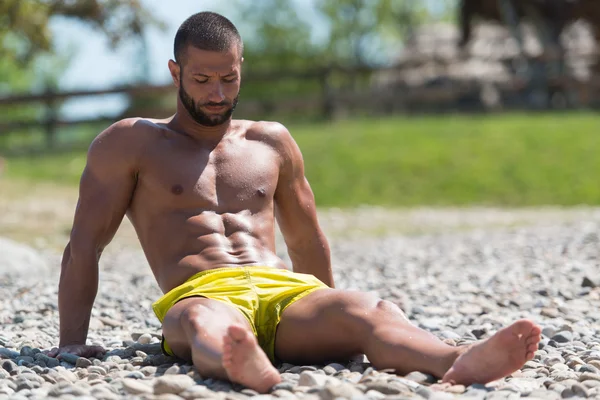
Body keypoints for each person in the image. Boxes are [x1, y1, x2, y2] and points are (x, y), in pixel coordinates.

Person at [48, 11, 541, 394]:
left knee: (370, 309)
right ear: (176, 72)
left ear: (242, 69)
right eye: (201, 80)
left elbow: (306, 238)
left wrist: (329, 309)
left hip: (285, 292)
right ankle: (244, 364)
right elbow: (85, 244)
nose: (217, 93)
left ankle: (454, 358)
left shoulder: (271, 142)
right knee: (205, 323)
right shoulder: (130, 143)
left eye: (229, 78)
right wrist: (72, 341)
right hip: (202, 292)